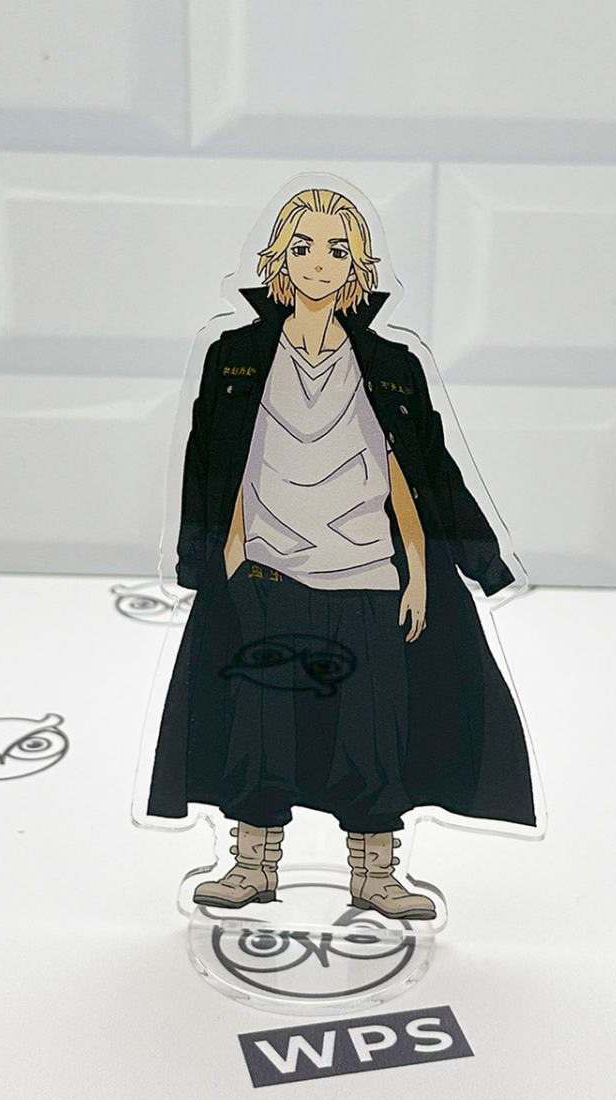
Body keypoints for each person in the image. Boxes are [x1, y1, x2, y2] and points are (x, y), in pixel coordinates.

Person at [147, 187, 535, 919]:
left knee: (371, 735)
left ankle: (375, 876)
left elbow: (417, 471)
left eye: (336, 249)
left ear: (358, 264)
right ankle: (253, 868)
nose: (319, 263)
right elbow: (214, 464)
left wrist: (430, 572)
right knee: (261, 729)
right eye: (303, 247)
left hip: (368, 578)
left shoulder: (390, 364)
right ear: (279, 259)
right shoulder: (234, 358)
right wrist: (216, 563)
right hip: (266, 574)